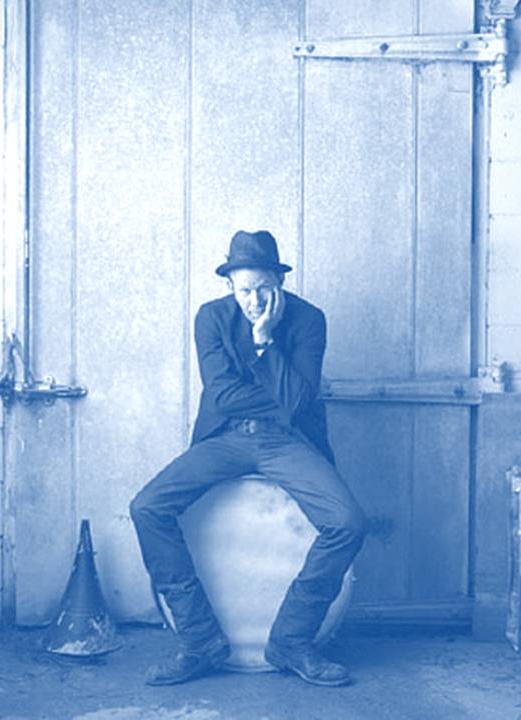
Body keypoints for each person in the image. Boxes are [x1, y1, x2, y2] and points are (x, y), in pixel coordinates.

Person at [129, 230, 367, 687]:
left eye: (263, 289)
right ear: (229, 286)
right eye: (244, 291)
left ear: (280, 282)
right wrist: (279, 396)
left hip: (288, 441)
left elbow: (298, 404)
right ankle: (199, 641)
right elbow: (223, 396)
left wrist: (264, 342)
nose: (254, 301)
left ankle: (292, 641)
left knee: (348, 522)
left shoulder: (309, 319)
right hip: (225, 438)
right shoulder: (211, 317)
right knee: (147, 507)